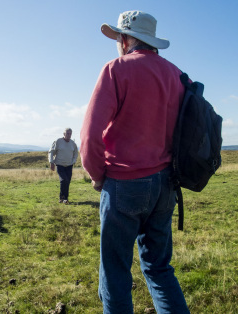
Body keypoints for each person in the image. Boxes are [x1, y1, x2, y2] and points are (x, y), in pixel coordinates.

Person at [80, 11, 189, 313]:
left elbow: (90, 136)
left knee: (115, 272)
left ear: (126, 39)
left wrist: (98, 175)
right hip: (167, 185)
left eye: (118, 38)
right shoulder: (179, 76)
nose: (117, 43)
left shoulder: (116, 70)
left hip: (123, 185)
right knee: (159, 268)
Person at [49, 128, 78, 204]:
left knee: (67, 181)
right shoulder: (58, 141)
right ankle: (64, 198)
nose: (69, 135)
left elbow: (76, 154)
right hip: (60, 165)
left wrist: (73, 161)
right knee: (63, 180)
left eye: (70, 133)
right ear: (64, 134)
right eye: (67, 133)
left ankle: (63, 198)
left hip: (69, 165)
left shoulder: (73, 144)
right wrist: (51, 162)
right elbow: (51, 152)